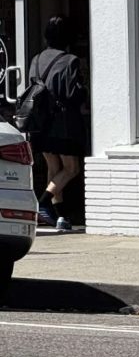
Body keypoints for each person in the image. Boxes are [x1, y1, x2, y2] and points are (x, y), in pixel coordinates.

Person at [31, 17, 88, 232]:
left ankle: (61, 217)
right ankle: (44, 201)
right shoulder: (70, 61)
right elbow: (74, 93)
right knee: (71, 168)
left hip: (40, 124)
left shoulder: (36, 60)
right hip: (62, 124)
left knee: (54, 168)